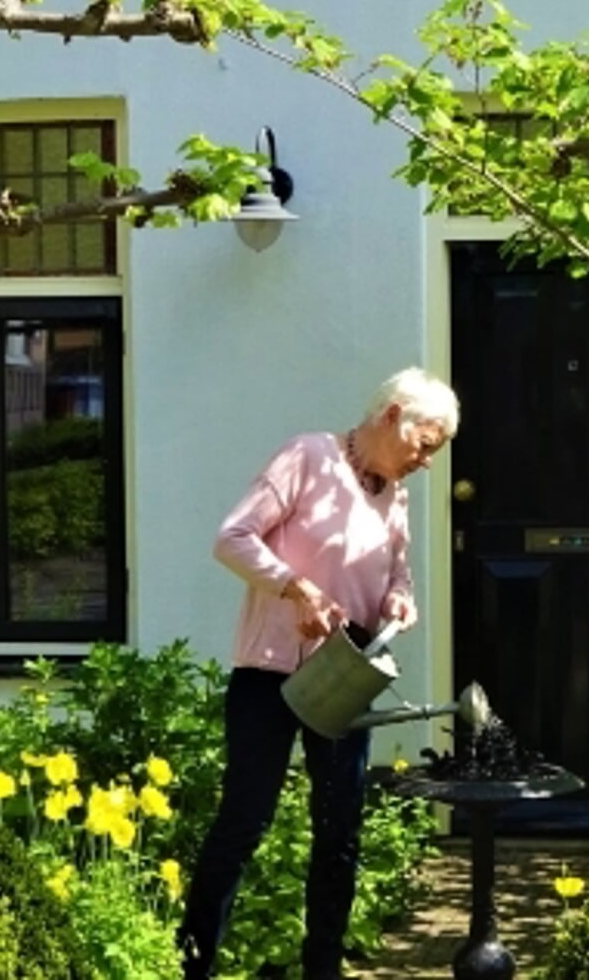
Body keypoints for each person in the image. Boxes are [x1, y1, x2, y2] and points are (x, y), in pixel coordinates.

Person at [178, 367, 459, 980]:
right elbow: (231, 538)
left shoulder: (394, 492)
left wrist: (399, 600)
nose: (427, 461)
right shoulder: (308, 457)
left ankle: (323, 970)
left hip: (345, 677)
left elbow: (397, 571)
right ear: (392, 417)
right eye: (425, 445)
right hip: (269, 675)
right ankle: (193, 964)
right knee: (244, 820)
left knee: (341, 831)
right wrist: (295, 586)